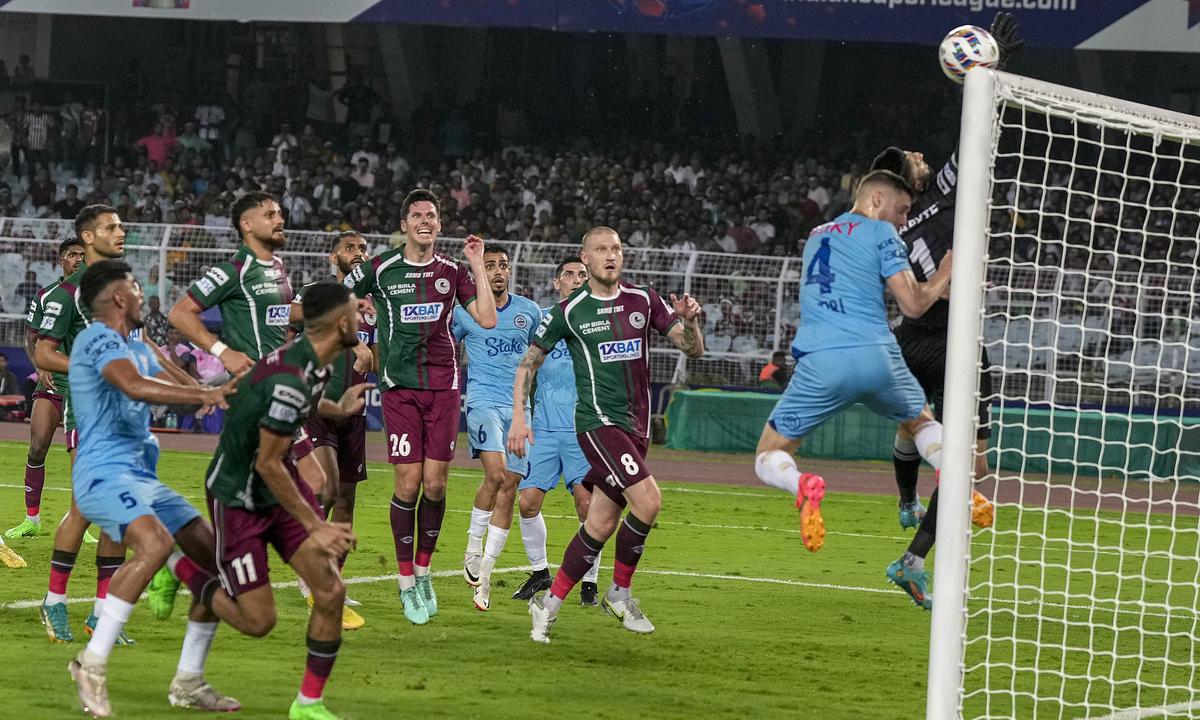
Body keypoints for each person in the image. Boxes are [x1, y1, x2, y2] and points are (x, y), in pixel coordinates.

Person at [867, 15, 1021, 609]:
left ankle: (907, 503)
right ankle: (913, 557)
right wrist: (986, 74)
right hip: (954, 341)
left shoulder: (889, 227)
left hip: (908, 341)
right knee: (966, 463)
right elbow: (974, 133)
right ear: (910, 178)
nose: (922, 155)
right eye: (914, 157)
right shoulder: (940, 195)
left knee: (916, 431)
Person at [508, 226, 705, 643]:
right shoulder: (570, 311)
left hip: (636, 430)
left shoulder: (643, 300)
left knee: (599, 524)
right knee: (649, 501)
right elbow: (528, 364)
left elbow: (692, 350)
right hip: (598, 425)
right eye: (601, 249)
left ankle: (546, 607)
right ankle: (620, 592)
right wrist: (518, 417)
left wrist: (690, 323)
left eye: (616, 248)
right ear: (586, 257)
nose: (610, 255)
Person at [65, 259, 241, 718]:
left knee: (218, 558)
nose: (145, 296)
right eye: (138, 288)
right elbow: (135, 386)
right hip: (103, 474)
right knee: (155, 544)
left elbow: (170, 380)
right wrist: (204, 396)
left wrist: (229, 389)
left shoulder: (136, 344)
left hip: (143, 479)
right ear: (119, 298)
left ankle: (188, 681)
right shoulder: (97, 338)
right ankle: (91, 663)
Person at [752, 171, 953, 558]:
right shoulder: (882, 233)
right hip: (876, 354)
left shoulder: (815, 235)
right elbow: (912, 304)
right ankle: (952, 473)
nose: (902, 221)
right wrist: (945, 272)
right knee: (922, 423)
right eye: (901, 210)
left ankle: (801, 484)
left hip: (820, 361)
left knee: (768, 454)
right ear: (876, 199)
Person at [344, 188, 497, 625]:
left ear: (439, 225)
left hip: (444, 388)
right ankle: (407, 582)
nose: (425, 221)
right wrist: (359, 343)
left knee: (436, 486)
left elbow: (486, 318)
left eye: (431, 215)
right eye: (417, 215)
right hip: (399, 388)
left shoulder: (452, 271)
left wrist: (476, 265)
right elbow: (337, 297)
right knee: (408, 485)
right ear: (405, 224)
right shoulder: (382, 269)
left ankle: (425, 572)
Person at [32, 207, 136, 644]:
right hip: (88, 413)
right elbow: (44, 354)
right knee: (87, 508)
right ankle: (54, 601)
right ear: (88, 236)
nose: (121, 232)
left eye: (120, 225)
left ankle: (100, 614)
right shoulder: (65, 295)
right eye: (112, 227)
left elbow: (140, 343)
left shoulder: (122, 287)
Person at [289, 231, 376, 631]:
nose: (358, 254)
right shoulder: (315, 291)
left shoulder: (374, 297)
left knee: (345, 498)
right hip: (316, 404)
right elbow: (287, 320)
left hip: (354, 409)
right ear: (333, 257)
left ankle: (331, 575)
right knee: (323, 487)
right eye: (350, 249)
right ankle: (310, 569)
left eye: (362, 249)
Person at [509, 258, 603, 606]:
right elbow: (527, 367)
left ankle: (590, 582)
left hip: (583, 430)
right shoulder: (545, 322)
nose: (577, 279)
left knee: (587, 506)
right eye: (570, 274)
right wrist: (520, 414)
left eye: (582, 274)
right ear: (556, 282)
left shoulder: (597, 323)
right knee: (528, 502)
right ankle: (539, 573)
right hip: (545, 430)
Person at [453, 244, 541, 611]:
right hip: (483, 402)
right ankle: (472, 549)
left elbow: (542, 359)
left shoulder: (529, 312)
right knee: (496, 474)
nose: (499, 271)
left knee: (509, 489)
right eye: (490, 266)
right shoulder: (464, 313)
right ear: (479, 274)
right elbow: (445, 349)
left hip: (520, 410)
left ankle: (485, 576)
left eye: (503, 265)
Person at [6, 238, 83, 541]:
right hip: (52, 382)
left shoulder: (96, 297)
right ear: (61, 261)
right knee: (37, 447)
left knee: (82, 455)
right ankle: (31, 519)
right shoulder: (46, 295)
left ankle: (82, 521)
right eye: (72, 255)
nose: (78, 259)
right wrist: (40, 365)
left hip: (84, 385)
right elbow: (31, 337)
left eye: (82, 254)